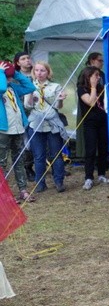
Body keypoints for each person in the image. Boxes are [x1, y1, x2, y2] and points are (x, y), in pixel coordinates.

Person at [25, 61, 67, 193]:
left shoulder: (55, 86)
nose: (39, 73)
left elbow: (58, 107)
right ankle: (40, 183)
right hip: (36, 124)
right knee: (39, 156)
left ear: (48, 72)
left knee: (56, 155)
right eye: (36, 70)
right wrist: (31, 92)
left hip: (52, 124)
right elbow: (28, 106)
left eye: (42, 70)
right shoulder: (29, 85)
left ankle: (59, 181)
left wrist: (60, 99)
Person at [0, 61, 36, 202]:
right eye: (7, 76)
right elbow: (2, 88)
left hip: (18, 128)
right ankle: (4, 194)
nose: (9, 79)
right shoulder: (2, 86)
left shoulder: (13, 87)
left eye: (10, 76)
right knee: (2, 163)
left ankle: (23, 190)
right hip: (3, 130)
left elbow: (29, 86)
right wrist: (1, 73)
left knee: (18, 160)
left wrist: (15, 72)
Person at [77, 66, 109, 191]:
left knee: (103, 148)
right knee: (90, 150)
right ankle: (89, 177)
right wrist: (93, 86)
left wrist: (97, 87)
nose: (98, 78)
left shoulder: (101, 88)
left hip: (102, 121)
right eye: (96, 75)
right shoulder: (81, 89)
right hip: (90, 123)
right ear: (88, 76)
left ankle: (101, 174)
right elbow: (91, 102)